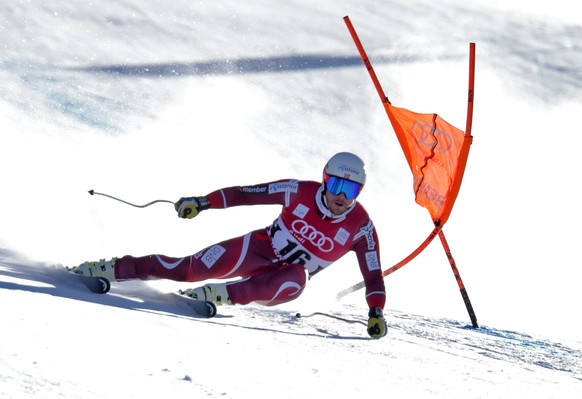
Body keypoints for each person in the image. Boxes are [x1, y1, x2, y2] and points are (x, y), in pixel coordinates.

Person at [72, 152, 387, 339]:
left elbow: (373, 275)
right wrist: (203, 202)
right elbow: (246, 193)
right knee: (187, 269)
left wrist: (376, 312)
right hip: (257, 248)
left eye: (351, 189)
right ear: (324, 180)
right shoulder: (297, 191)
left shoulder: (361, 227)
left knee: (297, 277)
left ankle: (221, 295)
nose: (341, 197)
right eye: (336, 185)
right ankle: (110, 269)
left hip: (280, 282)